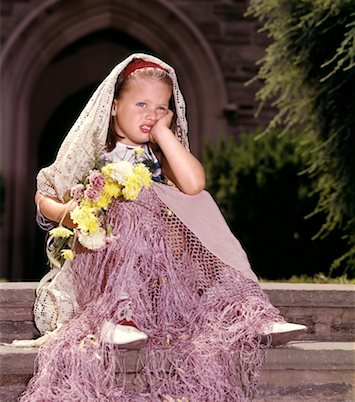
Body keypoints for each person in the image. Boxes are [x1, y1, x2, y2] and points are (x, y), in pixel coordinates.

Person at [18, 53, 304, 401]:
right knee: (127, 203)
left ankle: (246, 311)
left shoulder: (159, 153)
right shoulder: (96, 151)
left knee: (197, 201)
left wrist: (165, 134)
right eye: (141, 104)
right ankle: (118, 317)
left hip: (163, 264)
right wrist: (73, 212)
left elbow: (194, 184)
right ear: (113, 105)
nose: (150, 115)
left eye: (161, 107)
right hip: (107, 256)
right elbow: (43, 196)